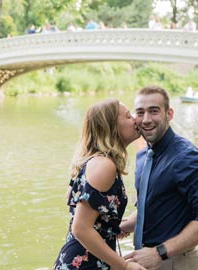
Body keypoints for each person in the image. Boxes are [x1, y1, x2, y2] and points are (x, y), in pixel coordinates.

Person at [121, 86, 198, 270]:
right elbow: (156, 204)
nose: (146, 119)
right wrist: (127, 224)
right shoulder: (143, 155)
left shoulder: (186, 157)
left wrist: (159, 252)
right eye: (140, 112)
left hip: (174, 261)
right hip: (145, 258)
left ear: (169, 114)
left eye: (154, 111)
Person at [53, 99, 146, 270]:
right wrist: (124, 266)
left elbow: (93, 219)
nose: (135, 119)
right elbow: (80, 228)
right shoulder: (104, 165)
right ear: (111, 126)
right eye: (127, 116)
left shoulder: (96, 161)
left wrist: (112, 227)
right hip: (85, 264)